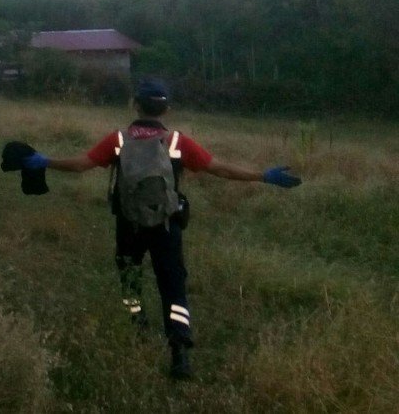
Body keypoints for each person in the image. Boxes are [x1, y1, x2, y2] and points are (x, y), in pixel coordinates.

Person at [22, 79, 301, 380]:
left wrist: (44, 161)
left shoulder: (118, 139)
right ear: (166, 109)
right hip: (167, 225)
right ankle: (179, 352)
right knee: (173, 285)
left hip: (128, 223)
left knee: (130, 276)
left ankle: (137, 324)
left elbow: (80, 165)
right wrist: (263, 176)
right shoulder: (177, 142)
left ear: (135, 105)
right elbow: (220, 169)